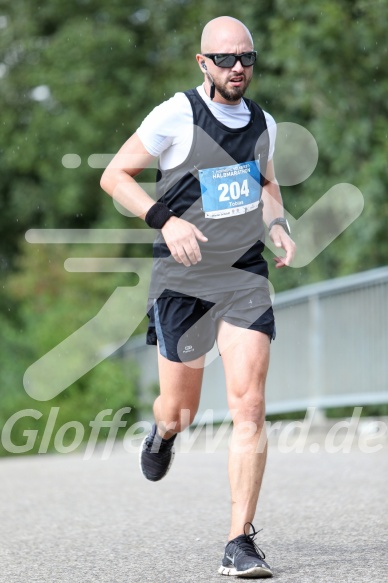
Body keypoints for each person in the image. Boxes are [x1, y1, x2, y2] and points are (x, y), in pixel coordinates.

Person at [101, 15, 295, 579]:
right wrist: (165, 221)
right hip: (183, 282)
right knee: (179, 409)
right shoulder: (176, 114)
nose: (239, 68)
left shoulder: (263, 122)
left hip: (242, 276)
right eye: (227, 59)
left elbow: (266, 182)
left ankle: (239, 541)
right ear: (202, 62)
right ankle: (162, 433)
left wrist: (278, 224)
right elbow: (116, 175)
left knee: (249, 406)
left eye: (247, 59)